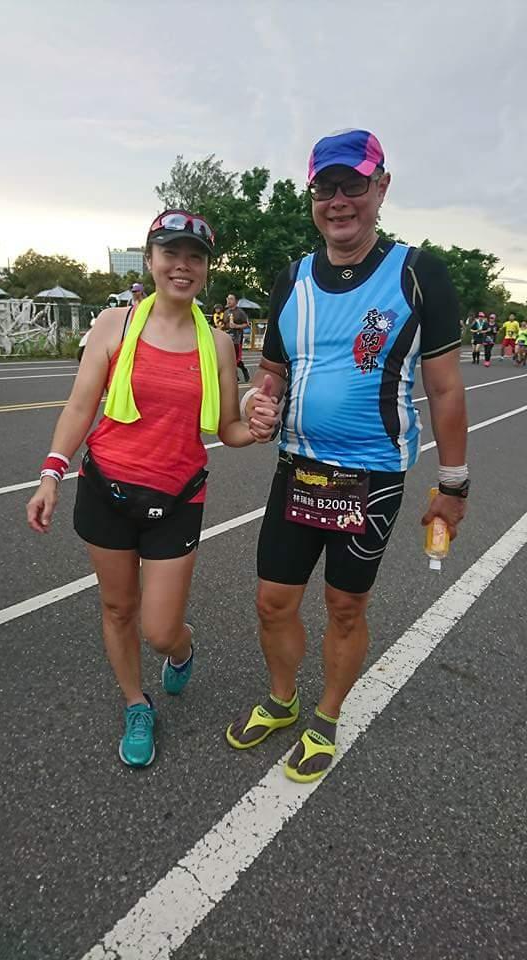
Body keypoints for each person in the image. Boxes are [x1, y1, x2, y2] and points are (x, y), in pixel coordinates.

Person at [227, 128, 469, 784]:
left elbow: (446, 389)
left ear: (380, 188)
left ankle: (327, 716)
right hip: (298, 468)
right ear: (313, 198)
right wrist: (257, 400)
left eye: (353, 184)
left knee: (344, 606)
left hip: (371, 475)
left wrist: (453, 485)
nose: (338, 200)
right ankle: (283, 699)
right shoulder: (291, 279)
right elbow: (273, 372)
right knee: (272, 601)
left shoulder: (417, 273)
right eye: (325, 187)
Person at [27, 208, 279, 769]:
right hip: (106, 490)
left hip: (177, 498)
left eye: (195, 257)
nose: (181, 266)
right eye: (170, 253)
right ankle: (136, 704)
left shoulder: (218, 343)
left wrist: (259, 427)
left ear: (206, 269)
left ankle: (182, 651)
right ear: (150, 260)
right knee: (118, 609)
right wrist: (50, 474)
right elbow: (81, 406)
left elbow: (228, 429)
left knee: (161, 630)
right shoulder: (113, 325)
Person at [224, 293, 250, 382]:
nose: (229, 300)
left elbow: (246, 324)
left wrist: (236, 326)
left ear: (236, 301)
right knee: (227, 358)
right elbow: (224, 324)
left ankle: (244, 370)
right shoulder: (226, 312)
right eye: (228, 298)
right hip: (227, 338)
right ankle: (235, 376)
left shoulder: (240, 312)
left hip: (237, 338)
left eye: (231, 299)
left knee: (236, 359)